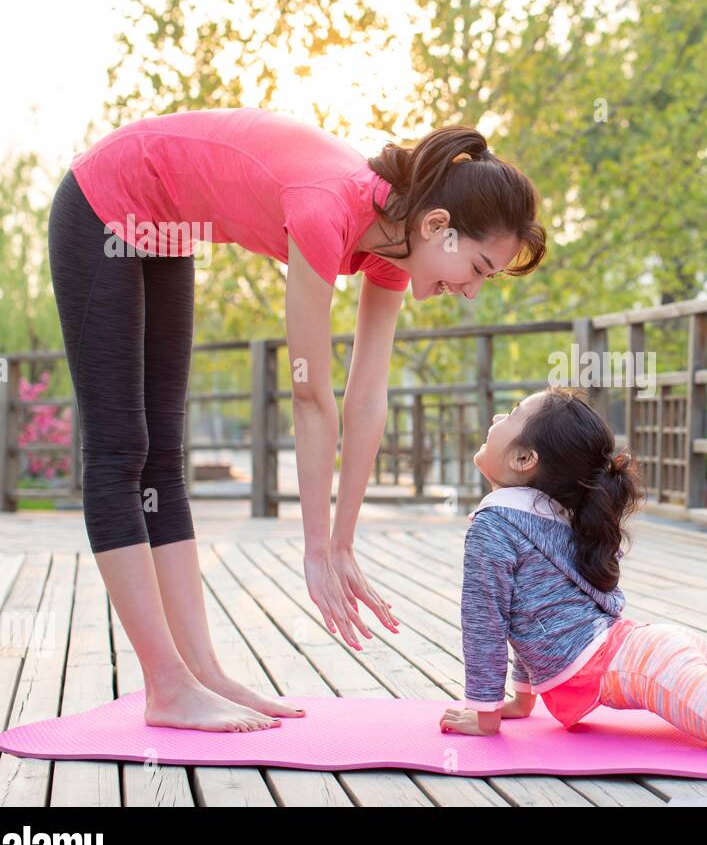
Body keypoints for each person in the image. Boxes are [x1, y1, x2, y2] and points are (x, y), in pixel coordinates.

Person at [48, 107, 546, 731]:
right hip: (104, 201)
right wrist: (313, 551)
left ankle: (201, 672)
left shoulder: (393, 243)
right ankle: (167, 686)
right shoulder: (327, 208)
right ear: (438, 225)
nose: (471, 291)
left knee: (162, 459)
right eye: (477, 268)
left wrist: (341, 544)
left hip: (168, 227)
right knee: (122, 450)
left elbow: (364, 400)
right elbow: (310, 393)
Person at [441, 387, 707, 756]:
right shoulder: (547, 513)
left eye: (510, 415)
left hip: (644, 665)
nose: (496, 416)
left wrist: (485, 715)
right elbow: (529, 614)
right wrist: (520, 701)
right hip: (649, 647)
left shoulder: (495, 525)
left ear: (524, 459)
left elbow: (486, 622)